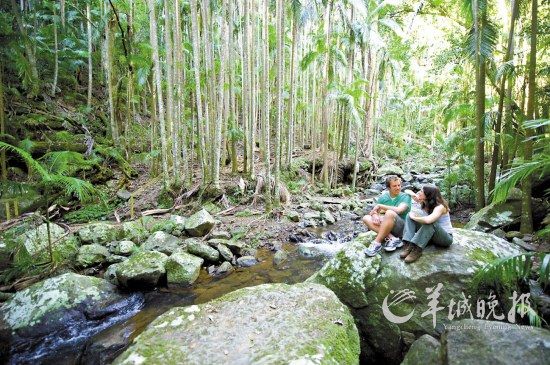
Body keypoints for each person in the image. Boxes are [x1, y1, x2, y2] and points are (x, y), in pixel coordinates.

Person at [400, 184, 453, 263]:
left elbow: (428, 220)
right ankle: (408, 244)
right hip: (431, 235)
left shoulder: (440, 207)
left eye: (421, 191)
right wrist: (418, 201)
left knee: (431, 222)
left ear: (428, 195)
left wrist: (414, 217)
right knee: (409, 215)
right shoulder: (424, 203)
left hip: (444, 238)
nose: (419, 192)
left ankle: (417, 249)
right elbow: (407, 192)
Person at [363, 175, 412, 256]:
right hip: (387, 227)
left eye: (399, 185)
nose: (398, 188)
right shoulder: (383, 197)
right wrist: (375, 215)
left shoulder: (406, 196)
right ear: (388, 188)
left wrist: (380, 206)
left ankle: (377, 243)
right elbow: (375, 211)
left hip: (402, 228)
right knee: (366, 218)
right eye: (394, 186)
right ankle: (392, 238)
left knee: (389, 213)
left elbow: (399, 210)